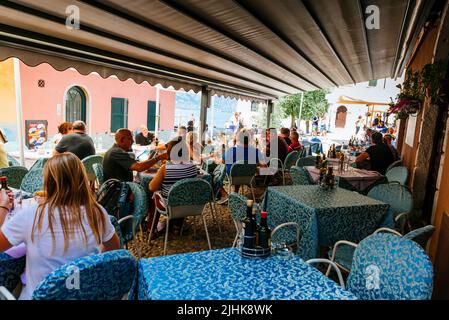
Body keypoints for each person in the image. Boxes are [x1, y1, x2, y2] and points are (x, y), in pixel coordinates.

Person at [0, 153, 120, 300]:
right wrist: (86, 259)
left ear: (48, 182)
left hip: (42, 296)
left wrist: (3, 207)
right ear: (81, 179)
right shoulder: (96, 211)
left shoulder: (32, 215)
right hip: (83, 294)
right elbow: (114, 248)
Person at [148, 137, 198, 236]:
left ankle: (151, 229)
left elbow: (151, 187)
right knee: (183, 193)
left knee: (154, 197)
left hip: (170, 206)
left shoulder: (165, 168)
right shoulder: (193, 167)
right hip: (189, 204)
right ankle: (177, 226)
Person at [103, 129, 167, 182]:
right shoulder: (116, 152)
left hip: (120, 186)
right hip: (119, 191)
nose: (133, 141)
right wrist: (158, 158)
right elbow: (139, 167)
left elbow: (136, 165)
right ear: (122, 140)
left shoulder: (115, 150)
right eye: (130, 139)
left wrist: (153, 156)